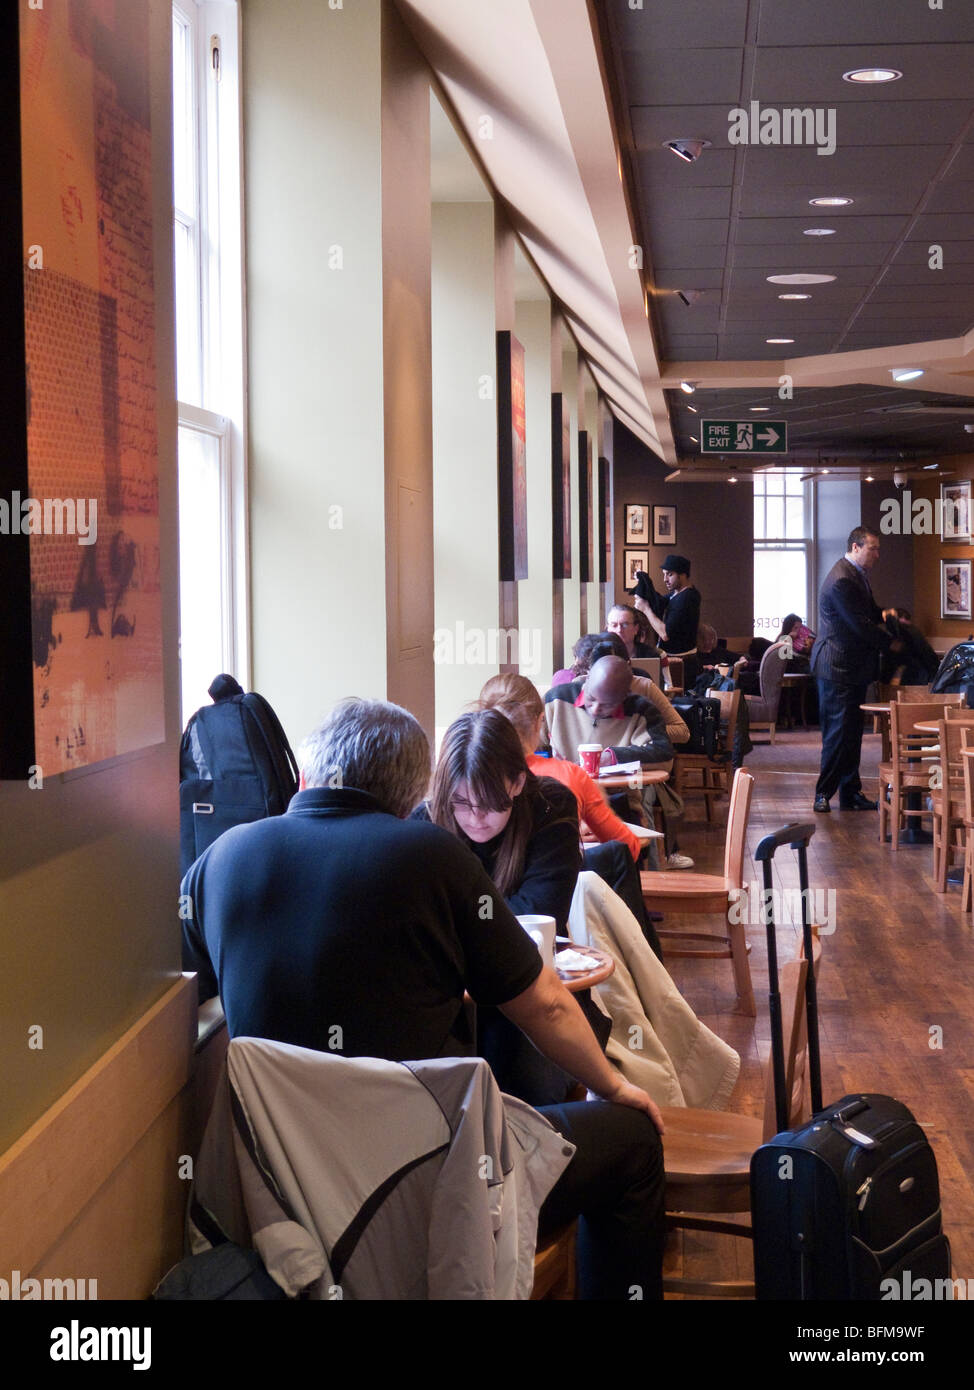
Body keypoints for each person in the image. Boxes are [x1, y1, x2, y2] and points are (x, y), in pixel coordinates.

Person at [182, 697, 665, 1300]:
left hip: (279, 1186)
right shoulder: (433, 859)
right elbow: (542, 1004)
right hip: (425, 1181)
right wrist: (616, 1086)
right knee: (635, 1142)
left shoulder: (218, 860)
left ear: (308, 771)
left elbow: (187, 986)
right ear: (415, 788)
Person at [476, 672, 664, 957]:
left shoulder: (467, 779)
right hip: (560, 922)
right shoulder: (566, 777)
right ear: (540, 722)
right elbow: (628, 847)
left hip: (484, 921)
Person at [811, 525, 894, 814]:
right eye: (873, 548)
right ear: (856, 547)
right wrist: (893, 643)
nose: (877, 555)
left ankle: (850, 793)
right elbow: (860, 626)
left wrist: (888, 615)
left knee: (851, 734)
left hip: (850, 668)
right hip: (837, 667)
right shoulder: (842, 580)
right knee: (837, 734)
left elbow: (869, 612)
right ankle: (823, 793)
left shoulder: (855, 575)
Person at [630, 554, 701, 658]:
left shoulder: (688, 597)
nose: (665, 579)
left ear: (683, 575)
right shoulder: (676, 594)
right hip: (672, 656)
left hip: (682, 661)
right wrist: (645, 582)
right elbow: (658, 601)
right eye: (664, 574)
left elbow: (665, 634)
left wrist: (645, 609)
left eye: (670, 574)